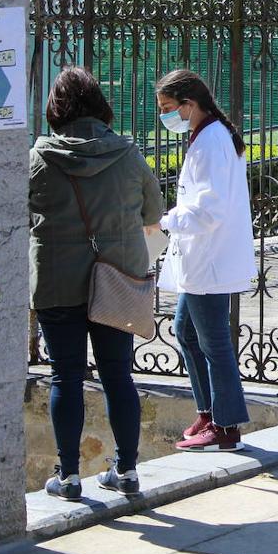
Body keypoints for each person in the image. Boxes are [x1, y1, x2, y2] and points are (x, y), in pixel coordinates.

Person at [29, 68, 162, 500]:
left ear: (57, 108)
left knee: (65, 376)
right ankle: (125, 470)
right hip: (116, 279)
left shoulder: (40, 157)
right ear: (100, 105)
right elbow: (153, 210)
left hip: (56, 279)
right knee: (117, 375)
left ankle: (67, 475)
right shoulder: (127, 155)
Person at [155, 69, 257, 451]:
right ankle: (209, 411)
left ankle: (226, 425)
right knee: (185, 331)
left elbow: (209, 209)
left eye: (168, 109)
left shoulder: (212, 141)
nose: (165, 116)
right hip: (202, 260)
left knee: (213, 342)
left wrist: (166, 221)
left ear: (189, 105)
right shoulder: (208, 136)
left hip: (210, 259)